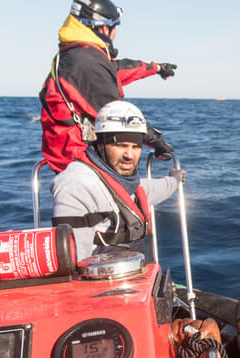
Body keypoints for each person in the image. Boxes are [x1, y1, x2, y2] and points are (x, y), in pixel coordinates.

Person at [39, 0, 178, 172]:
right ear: (103, 29)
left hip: (72, 155)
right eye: (114, 27)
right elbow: (119, 115)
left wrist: (157, 68)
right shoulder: (85, 62)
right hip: (79, 161)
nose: (116, 33)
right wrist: (157, 142)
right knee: (134, 194)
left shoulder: (79, 55)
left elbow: (117, 70)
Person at [51, 100, 184, 260]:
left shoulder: (123, 180)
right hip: (100, 280)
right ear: (100, 145)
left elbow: (144, 190)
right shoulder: (77, 185)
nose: (129, 155)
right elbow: (72, 261)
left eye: (136, 147)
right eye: (120, 145)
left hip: (132, 272)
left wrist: (174, 181)